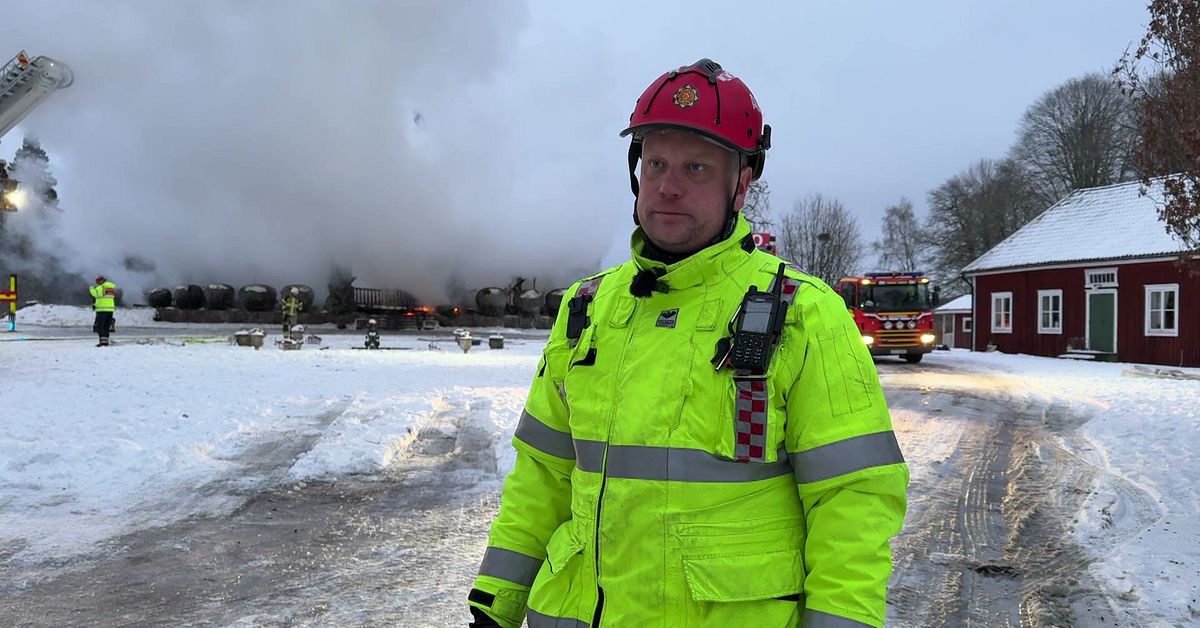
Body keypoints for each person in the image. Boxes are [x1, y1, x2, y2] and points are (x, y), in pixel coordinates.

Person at [467, 59, 908, 628]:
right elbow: (542, 476)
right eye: (656, 164)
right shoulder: (587, 309)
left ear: (740, 185)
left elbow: (853, 500)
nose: (668, 186)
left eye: (696, 167)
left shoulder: (804, 314)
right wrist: (495, 601)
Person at [89, 275, 117, 347]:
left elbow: (95, 294)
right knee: (106, 327)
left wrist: (91, 288)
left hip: (102, 310)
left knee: (100, 326)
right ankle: (105, 341)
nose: (97, 283)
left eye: (98, 281)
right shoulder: (111, 288)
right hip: (110, 310)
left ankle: (103, 343)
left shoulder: (101, 287)